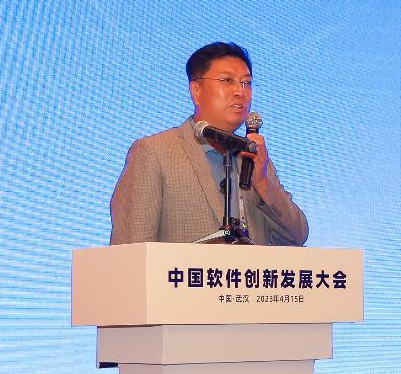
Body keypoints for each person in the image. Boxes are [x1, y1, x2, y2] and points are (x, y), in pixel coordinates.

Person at [109, 41, 308, 246]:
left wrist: (263, 184)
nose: (240, 92)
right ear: (196, 90)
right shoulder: (154, 152)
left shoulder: (255, 158)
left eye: (246, 83)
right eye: (227, 80)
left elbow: (297, 237)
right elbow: (131, 248)